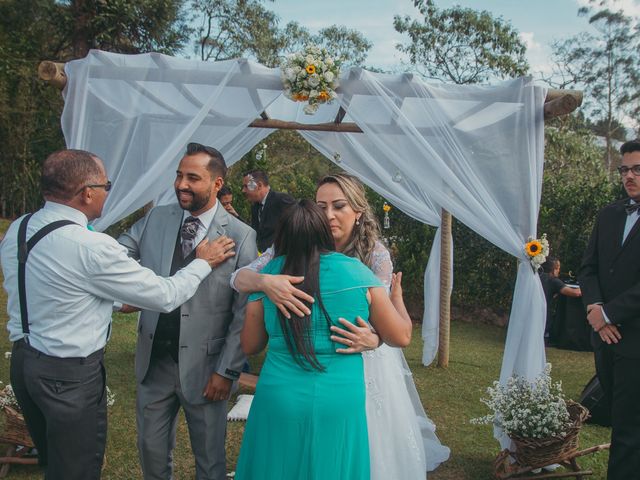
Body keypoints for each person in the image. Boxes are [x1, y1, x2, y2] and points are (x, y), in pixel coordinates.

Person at [0, 149, 228, 480]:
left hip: (24, 366)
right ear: (87, 192)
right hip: (68, 378)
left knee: (54, 462)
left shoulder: (19, 228)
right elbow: (165, 296)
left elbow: (57, 286)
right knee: (77, 470)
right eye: (106, 185)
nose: (109, 191)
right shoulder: (92, 246)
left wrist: (114, 301)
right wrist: (203, 262)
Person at [232, 173, 450, 478]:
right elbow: (399, 330)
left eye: (338, 206)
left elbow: (251, 343)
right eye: (322, 207)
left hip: (339, 366)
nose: (329, 215)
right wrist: (264, 282)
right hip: (342, 383)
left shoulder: (372, 254)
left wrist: (374, 339)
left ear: (357, 211)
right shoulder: (357, 274)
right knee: (336, 462)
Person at [118, 143, 256, 480]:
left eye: (192, 178)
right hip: (153, 364)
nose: (180, 184)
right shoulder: (156, 218)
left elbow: (245, 311)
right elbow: (118, 253)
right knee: (150, 455)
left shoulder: (241, 235)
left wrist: (227, 370)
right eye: (179, 175)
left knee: (210, 461)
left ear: (217, 183)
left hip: (207, 369)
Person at [578, 139, 640, 479]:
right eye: (624, 169)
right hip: (604, 338)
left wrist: (610, 314)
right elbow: (588, 268)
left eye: (636, 169)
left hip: (635, 339)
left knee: (629, 431)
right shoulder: (609, 214)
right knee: (619, 420)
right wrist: (595, 310)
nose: (628, 176)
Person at [241, 169, 294, 252]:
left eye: (246, 186)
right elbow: (254, 232)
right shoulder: (255, 207)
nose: (243, 190)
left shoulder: (282, 201)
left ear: (259, 185)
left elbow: (298, 227)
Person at [540, 257, 581, 342]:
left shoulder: (538, 276)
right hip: (543, 315)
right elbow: (575, 293)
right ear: (553, 269)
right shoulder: (553, 281)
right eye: (558, 268)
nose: (559, 271)